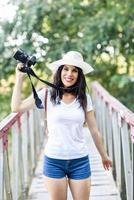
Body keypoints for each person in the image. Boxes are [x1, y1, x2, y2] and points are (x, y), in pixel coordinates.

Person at [11, 51, 112, 200]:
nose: (69, 74)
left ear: (79, 75)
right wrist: (19, 78)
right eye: (66, 69)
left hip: (80, 160)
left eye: (74, 70)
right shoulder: (47, 94)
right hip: (54, 160)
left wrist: (104, 156)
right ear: (60, 71)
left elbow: (94, 130)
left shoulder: (84, 98)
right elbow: (16, 107)